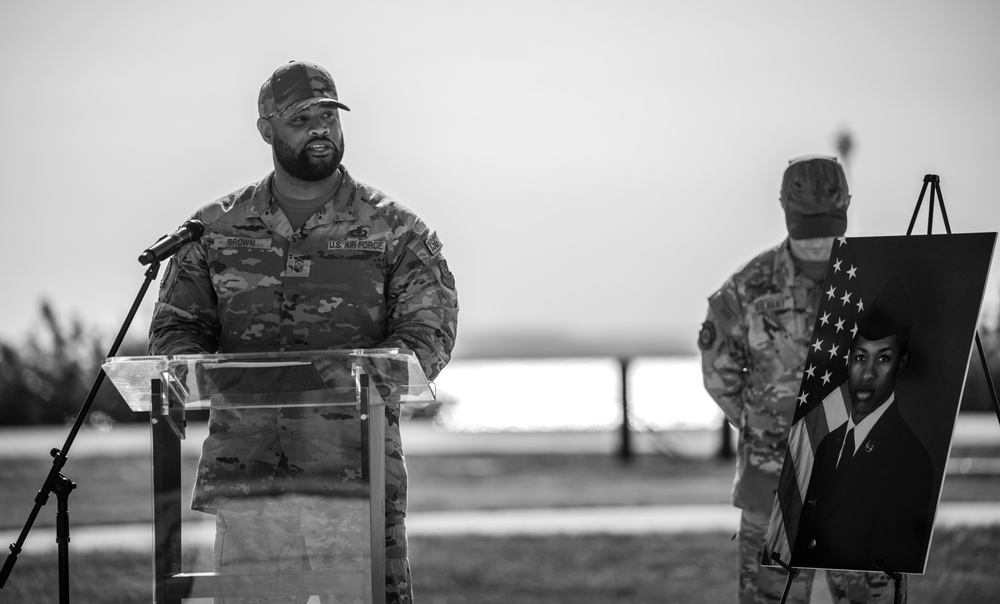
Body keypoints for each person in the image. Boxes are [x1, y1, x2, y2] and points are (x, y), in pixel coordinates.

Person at [148, 59, 459, 603]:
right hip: (249, 475)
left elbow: (428, 331)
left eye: (328, 117)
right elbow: (177, 326)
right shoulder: (214, 230)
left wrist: (366, 374)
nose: (319, 129)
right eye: (301, 119)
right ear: (266, 129)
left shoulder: (394, 230)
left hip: (353, 479)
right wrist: (193, 368)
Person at [699, 155, 905, 603]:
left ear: (847, 208)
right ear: (784, 211)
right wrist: (768, 428)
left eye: (828, 228)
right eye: (807, 230)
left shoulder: (876, 282)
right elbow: (719, 373)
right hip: (773, 485)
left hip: (861, 478)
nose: (818, 244)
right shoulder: (749, 288)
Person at [792, 279, 934, 574]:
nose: (867, 373)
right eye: (860, 357)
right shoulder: (830, 444)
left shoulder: (910, 460)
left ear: (902, 363)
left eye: (883, 358)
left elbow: (892, 556)